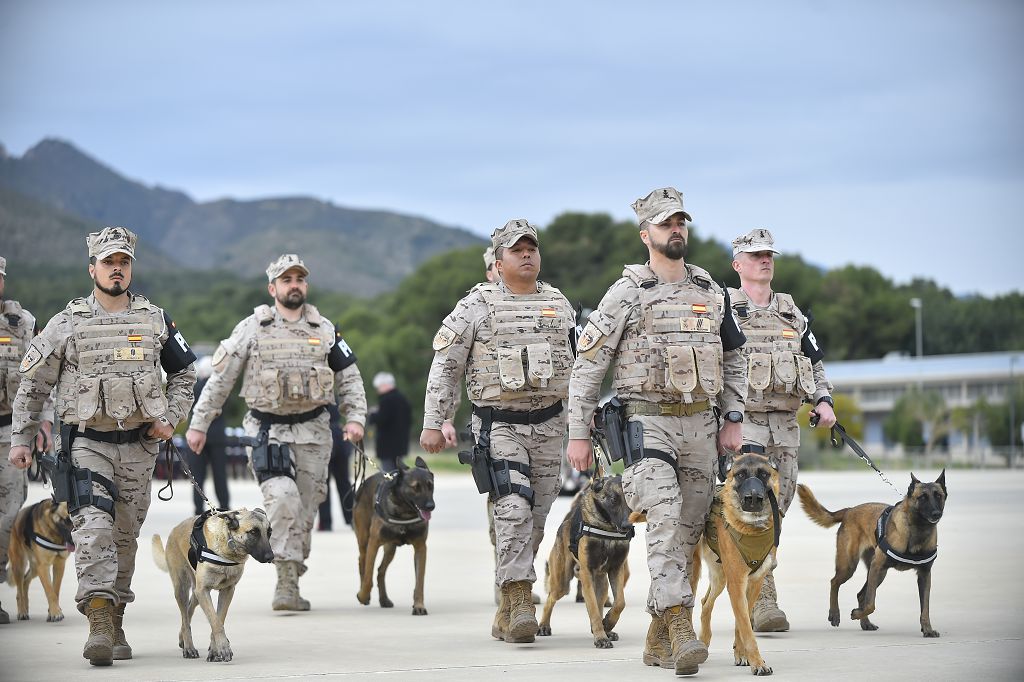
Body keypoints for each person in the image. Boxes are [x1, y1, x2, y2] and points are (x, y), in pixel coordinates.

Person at [566, 187, 747, 675]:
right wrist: (577, 433)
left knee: (687, 532)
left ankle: (656, 635)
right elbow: (588, 365)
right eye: (666, 223)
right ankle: (680, 625)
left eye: (681, 222)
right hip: (647, 423)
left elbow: (735, 356)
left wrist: (733, 418)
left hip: (702, 425)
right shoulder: (626, 292)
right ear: (645, 233)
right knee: (664, 522)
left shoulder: (711, 290)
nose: (676, 230)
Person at [8, 227, 197, 666]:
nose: (117, 269)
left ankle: (116, 616)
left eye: (124, 262)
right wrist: (21, 437)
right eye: (109, 262)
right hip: (86, 445)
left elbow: (186, 376)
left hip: (139, 447)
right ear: (92, 267)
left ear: (131, 268)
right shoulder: (66, 323)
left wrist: (169, 417)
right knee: (93, 530)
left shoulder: (155, 320)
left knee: (124, 538)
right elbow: (33, 384)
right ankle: (97, 622)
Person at [421, 220, 575, 644]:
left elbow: (580, 365)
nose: (526, 254)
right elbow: (446, 364)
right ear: (498, 260)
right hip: (499, 424)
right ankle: (520, 596)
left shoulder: (558, 304)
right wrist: (435, 421)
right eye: (516, 250)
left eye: (532, 248)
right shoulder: (476, 305)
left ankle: (508, 607)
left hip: (550, 425)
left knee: (538, 519)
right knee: (513, 509)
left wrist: (584, 420)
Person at [186, 254, 366, 612]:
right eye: (286, 280)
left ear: (306, 285)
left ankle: (292, 579)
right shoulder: (253, 328)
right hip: (269, 431)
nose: (294, 284)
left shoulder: (325, 328)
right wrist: (199, 423)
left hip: (316, 431)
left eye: (299, 278)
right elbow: (221, 379)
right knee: (282, 500)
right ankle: (284, 581)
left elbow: (349, 378)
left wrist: (356, 416)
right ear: (273, 288)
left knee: (305, 511)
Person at [728, 228, 836, 632]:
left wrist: (824, 400)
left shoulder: (793, 314)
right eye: (755, 255)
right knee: (755, 506)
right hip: (744, 423)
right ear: (738, 264)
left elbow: (816, 364)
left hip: (786, 427)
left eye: (769, 254)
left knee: (780, 508)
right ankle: (762, 597)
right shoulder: (725, 310)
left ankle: (757, 584)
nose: (765, 260)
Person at [0, 255, 54, 625]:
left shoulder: (22, 324)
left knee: (7, 514)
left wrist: (45, 422)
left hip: (9, 430)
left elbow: (41, 376)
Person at [184, 355, 230, 515]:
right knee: (220, 475)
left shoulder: (194, 387)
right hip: (217, 436)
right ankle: (225, 506)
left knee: (197, 476)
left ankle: (198, 509)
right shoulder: (221, 388)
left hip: (196, 435)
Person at [317, 403, 354, 530]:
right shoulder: (334, 397)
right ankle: (352, 519)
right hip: (338, 435)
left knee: (323, 484)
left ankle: (325, 523)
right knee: (344, 483)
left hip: (323, 437)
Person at [367, 371, 412, 472]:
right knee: (399, 472)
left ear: (385, 385)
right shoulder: (403, 399)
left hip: (387, 446)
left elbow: (381, 419)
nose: (378, 390)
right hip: (401, 444)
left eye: (379, 387)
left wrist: (373, 414)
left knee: (389, 474)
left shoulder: (387, 400)